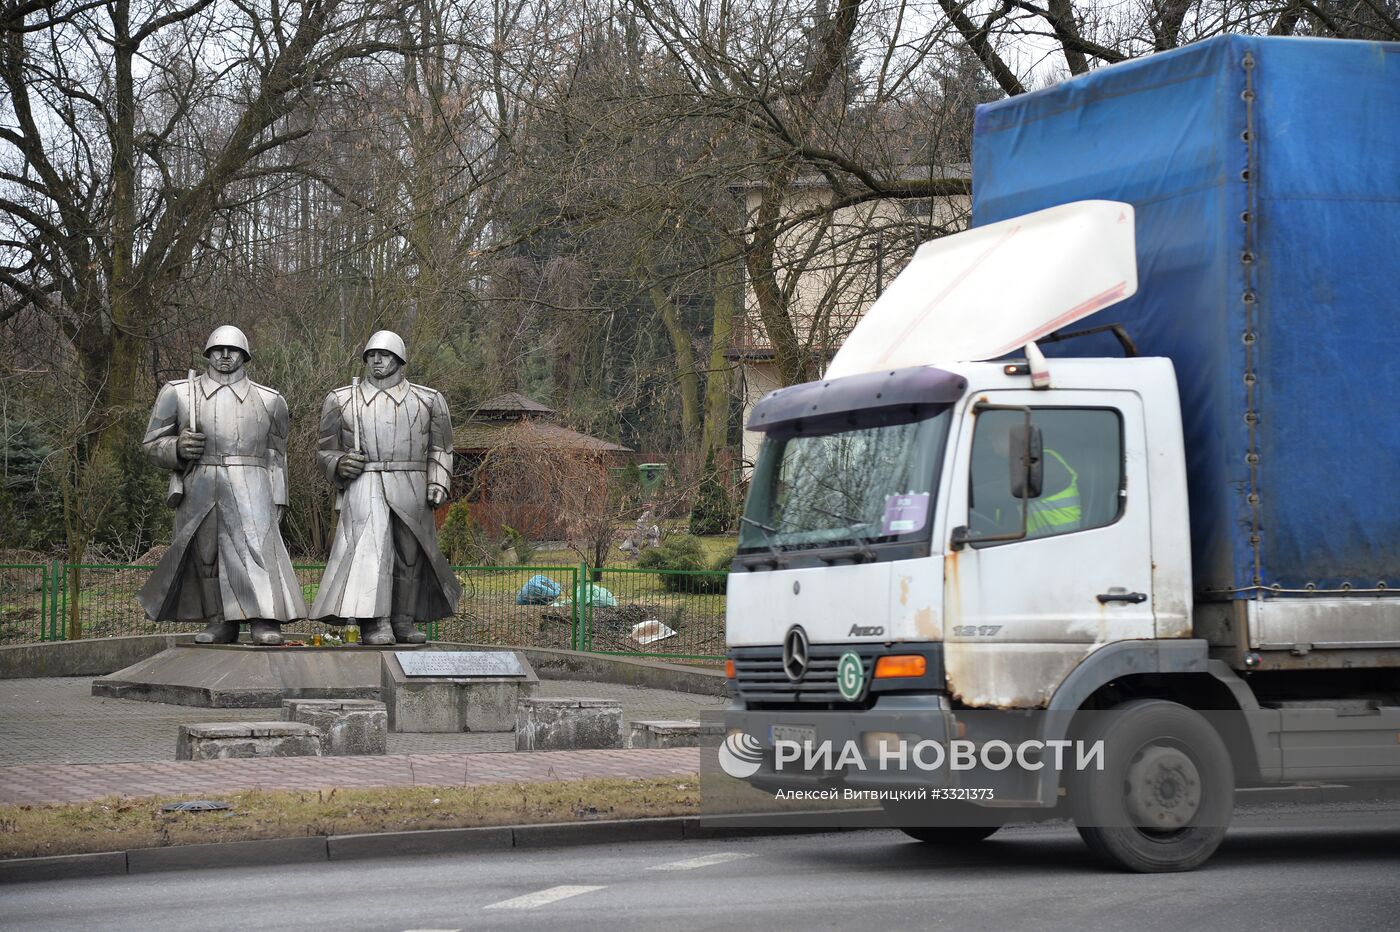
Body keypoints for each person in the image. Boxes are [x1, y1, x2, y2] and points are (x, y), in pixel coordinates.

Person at [138, 325, 305, 645]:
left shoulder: (270, 400)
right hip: (200, 482)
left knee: (257, 551)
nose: (225, 355)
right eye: (218, 349)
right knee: (206, 555)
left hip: (252, 482)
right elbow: (152, 444)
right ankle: (220, 621)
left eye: (233, 350)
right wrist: (177, 448)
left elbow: (276, 455)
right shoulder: (179, 393)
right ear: (207, 353)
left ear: (244, 355)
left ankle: (265, 618)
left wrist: (279, 497)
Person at [310, 331, 461, 644]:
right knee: (371, 552)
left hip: (411, 483)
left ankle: (403, 620)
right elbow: (325, 449)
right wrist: (339, 464)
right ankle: (375, 623)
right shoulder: (341, 400)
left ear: (400, 359)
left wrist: (438, 480)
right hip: (366, 483)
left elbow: (441, 448)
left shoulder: (428, 400)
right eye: (372, 355)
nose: (377, 360)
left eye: (385, 354)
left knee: (409, 555)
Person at [971, 423, 1083, 538]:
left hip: (1062, 546)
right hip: (1033, 547)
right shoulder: (1015, 465)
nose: (990, 436)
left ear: (1021, 435)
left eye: (997, 431)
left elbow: (1002, 492)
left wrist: (963, 497)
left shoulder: (1045, 463)